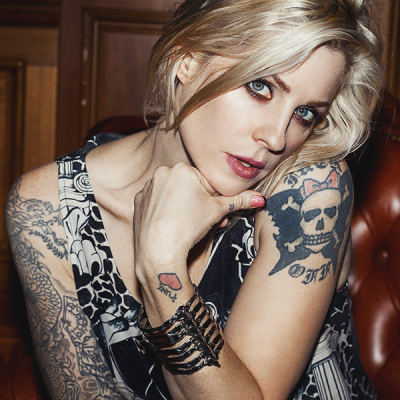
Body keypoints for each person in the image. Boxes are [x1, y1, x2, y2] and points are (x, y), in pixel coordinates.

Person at [5, 0, 383, 399]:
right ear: (186, 59)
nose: (276, 138)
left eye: (305, 113)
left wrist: (161, 266)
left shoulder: (310, 188)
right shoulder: (47, 208)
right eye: (261, 87)